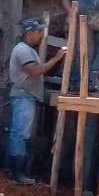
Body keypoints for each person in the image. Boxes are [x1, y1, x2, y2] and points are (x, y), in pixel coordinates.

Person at [7, 19, 66, 185]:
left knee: (21, 134)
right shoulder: (23, 50)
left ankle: (17, 173)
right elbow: (34, 71)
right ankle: (16, 174)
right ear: (30, 33)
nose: (40, 35)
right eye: (38, 32)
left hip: (27, 97)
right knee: (20, 135)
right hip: (23, 97)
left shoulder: (28, 50)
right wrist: (56, 58)